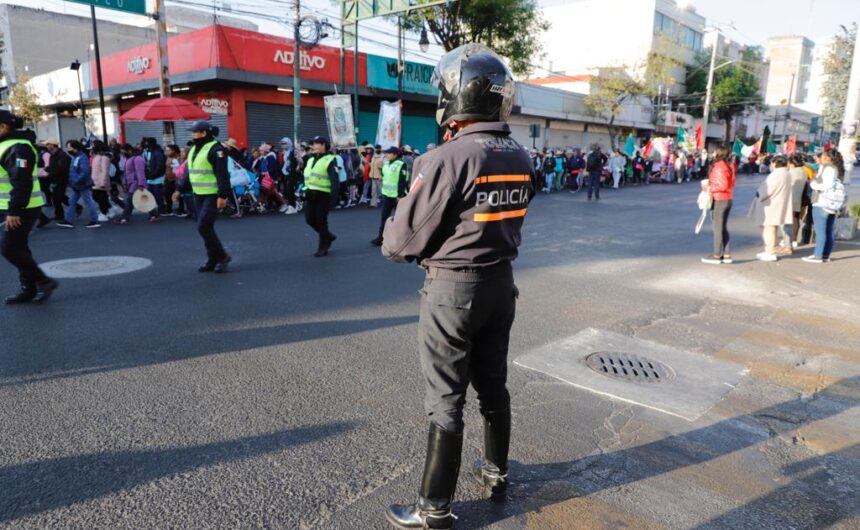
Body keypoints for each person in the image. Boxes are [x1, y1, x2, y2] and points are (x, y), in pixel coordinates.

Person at [382, 43, 536, 530]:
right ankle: (496, 472)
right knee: (493, 385)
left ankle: (434, 508)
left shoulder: (446, 158)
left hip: (453, 291)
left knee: (446, 399)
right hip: (501, 285)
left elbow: (399, 243)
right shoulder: (521, 155)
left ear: (459, 95)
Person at [0, 111, 59, 304]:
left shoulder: (17, 148)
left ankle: (43, 281)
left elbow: (22, 181)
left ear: (3, 127)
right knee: (19, 248)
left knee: (10, 248)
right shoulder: (6, 145)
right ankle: (29, 289)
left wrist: (14, 211)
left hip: (22, 208)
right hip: (11, 206)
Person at [186, 121, 232, 272]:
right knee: (206, 228)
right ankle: (212, 259)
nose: (192, 134)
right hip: (198, 194)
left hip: (212, 194)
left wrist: (223, 196)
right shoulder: (194, 149)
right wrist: (179, 189)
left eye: (195, 132)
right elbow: (190, 171)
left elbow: (222, 174)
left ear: (204, 133)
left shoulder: (217, 150)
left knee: (203, 226)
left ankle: (222, 256)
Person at [803, 148, 845, 263]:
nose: (819, 158)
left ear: (827, 158)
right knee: (828, 230)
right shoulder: (838, 169)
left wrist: (813, 183)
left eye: (821, 156)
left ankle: (818, 255)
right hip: (833, 203)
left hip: (822, 202)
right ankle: (825, 255)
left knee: (821, 231)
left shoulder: (828, 168)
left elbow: (824, 185)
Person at [303, 136, 339, 257]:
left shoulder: (330, 159)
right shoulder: (310, 159)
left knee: (321, 221)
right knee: (309, 220)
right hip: (310, 194)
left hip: (323, 195)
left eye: (316, 144)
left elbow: (335, 180)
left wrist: (334, 198)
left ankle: (323, 247)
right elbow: (307, 177)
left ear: (323, 145)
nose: (314, 146)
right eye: (313, 144)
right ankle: (328, 236)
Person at [753, 155, 793, 262]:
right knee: (772, 228)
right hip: (777, 203)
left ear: (775, 163)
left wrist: (759, 194)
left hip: (771, 205)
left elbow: (768, 190)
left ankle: (769, 252)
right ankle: (769, 250)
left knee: (769, 228)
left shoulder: (776, 174)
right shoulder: (786, 173)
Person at [701, 147, 736, 264]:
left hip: (719, 199)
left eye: (714, 152)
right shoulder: (729, 165)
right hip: (727, 198)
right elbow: (731, 182)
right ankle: (726, 254)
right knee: (722, 227)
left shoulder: (719, 166)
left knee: (717, 228)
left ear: (719, 154)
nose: (713, 153)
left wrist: (709, 188)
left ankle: (716, 255)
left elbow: (722, 185)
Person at [56, 140, 100, 229]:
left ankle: (94, 220)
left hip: (81, 185)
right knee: (72, 202)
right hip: (77, 185)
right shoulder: (75, 157)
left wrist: (75, 180)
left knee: (88, 202)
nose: (68, 149)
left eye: (69, 147)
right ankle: (69, 221)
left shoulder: (82, 157)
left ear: (75, 148)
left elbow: (85, 172)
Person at [370, 146, 409, 247]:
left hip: (398, 196)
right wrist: (380, 168)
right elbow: (385, 176)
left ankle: (403, 239)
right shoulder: (386, 164)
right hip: (387, 195)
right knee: (384, 217)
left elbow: (402, 180)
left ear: (395, 154)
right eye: (386, 153)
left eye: (389, 153)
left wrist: (400, 195)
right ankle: (381, 238)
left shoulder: (401, 164)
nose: (386, 155)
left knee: (401, 219)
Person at [116, 144, 148, 225]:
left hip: (136, 183)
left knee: (129, 202)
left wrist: (141, 184)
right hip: (132, 183)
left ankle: (124, 217)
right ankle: (154, 214)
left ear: (129, 150)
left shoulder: (137, 159)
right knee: (143, 200)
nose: (123, 154)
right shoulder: (130, 158)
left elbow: (140, 172)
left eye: (124, 152)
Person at [44, 138, 70, 221]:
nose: (47, 146)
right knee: (56, 198)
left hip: (61, 180)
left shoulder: (62, 155)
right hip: (54, 179)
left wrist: (51, 171)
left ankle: (76, 207)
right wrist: (47, 169)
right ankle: (59, 215)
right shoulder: (53, 155)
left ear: (53, 145)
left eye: (48, 144)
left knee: (59, 197)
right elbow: (53, 166)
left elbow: (63, 168)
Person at [787, 154, 809, 249]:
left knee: (789, 221)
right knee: (795, 219)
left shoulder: (791, 172)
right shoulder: (803, 171)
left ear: (792, 163)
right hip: (800, 199)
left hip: (790, 199)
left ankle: (789, 241)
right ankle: (794, 240)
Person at [143, 138, 167, 219]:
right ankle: (154, 212)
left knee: (158, 196)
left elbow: (160, 166)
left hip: (157, 178)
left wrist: (153, 175)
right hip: (151, 178)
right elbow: (148, 164)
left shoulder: (158, 153)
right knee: (150, 196)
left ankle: (161, 210)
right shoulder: (149, 152)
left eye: (147, 143)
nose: (146, 145)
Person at [90, 140, 112, 222]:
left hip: (101, 182)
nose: (92, 147)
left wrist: (103, 182)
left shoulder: (104, 157)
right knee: (97, 197)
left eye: (93, 146)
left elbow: (105, 171)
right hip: (96, 181)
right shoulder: (97, 157)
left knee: (101, 198)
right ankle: (108, 209)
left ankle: (104, 213)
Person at [278, 137, 299, 214]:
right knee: (286, 190)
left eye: (284, 143)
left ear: (289, 143)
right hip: (285, 173)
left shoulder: (293, 152)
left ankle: (292, 206)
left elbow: (296, 162)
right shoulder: (285, 152)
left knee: (290, 190)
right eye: (282, 144)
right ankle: (290, 205)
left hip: (292, 173)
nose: (283, 145)